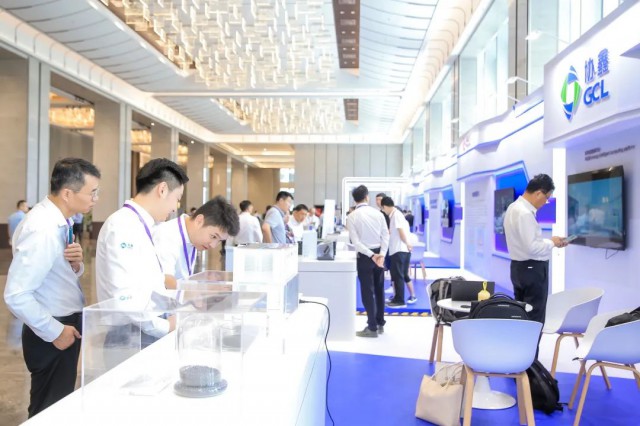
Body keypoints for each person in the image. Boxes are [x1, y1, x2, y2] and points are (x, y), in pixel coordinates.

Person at [4, 158, 100, 417]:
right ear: (67, 193)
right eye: (92, 192)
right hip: (52, 330)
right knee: (48, 411)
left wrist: (76, 265)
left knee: (57, 406)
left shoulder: (59, 221)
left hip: (62, 325)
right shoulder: (42, 228)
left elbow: (56, 275)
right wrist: (56, 331)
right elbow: (16, 294)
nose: (95, 199)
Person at [96, 158, 188, 344]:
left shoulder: (142, 225)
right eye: (177, 199)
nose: (174, 209)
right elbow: (125, 296)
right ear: (162, 190)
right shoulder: (123, 226)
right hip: (131, 335)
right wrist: (165, 327)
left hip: (142, 328)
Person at [504, 174, 568, 324]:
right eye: (546, 198)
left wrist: (549, 241)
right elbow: (532, 247)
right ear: (539, 193)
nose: (545, 202)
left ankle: (522, 340)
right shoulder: (525, 213)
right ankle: (532, 341)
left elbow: (525, 243)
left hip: (518, 268)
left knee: (520, 315)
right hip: (532, 270)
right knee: (534, 318)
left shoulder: (513, 207)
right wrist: (552, 243)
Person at [154, 196, 239, 287]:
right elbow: (166, 281)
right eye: (213, 236)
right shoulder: (167, 235)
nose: (213, 245)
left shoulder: (192, 238)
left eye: (220, 241)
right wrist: (201, 288)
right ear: (199, 221)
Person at [346, 185, 389, 338]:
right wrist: (381, 254)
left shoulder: (352, 216)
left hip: (365, 257)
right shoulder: (378, 213)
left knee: (367, 291)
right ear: (367, 197)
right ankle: (380, 323)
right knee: (379, 290)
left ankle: (372, 327)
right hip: (379, 255)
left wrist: (372, 256)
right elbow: (386, 236)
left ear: (354, 199)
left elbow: (356, 242)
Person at [381, 197, 417, 307]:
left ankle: (400, 301)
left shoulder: (396, 215)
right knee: (400, 275)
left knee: (398, 276)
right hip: (401, 250)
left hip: (399, 250)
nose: (384, 211)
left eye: (383, 209)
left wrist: (407, 243)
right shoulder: (396, 215)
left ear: (385, 206)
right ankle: (397, 298)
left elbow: (401, 232)